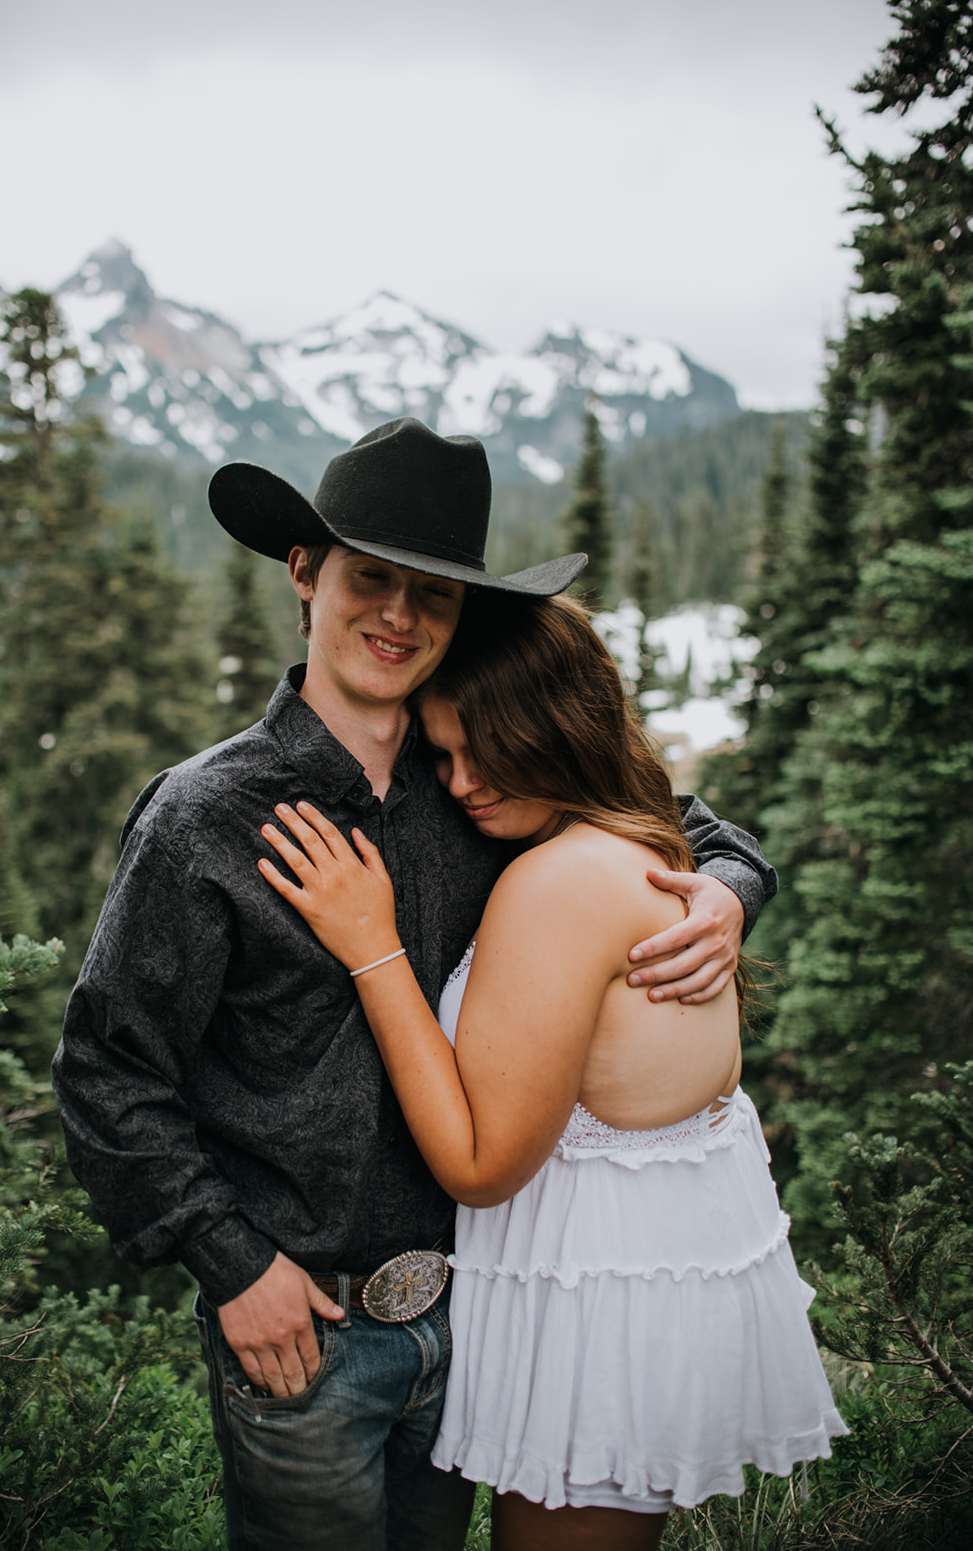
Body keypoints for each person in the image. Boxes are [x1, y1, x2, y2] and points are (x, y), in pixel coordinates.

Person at [52, 417, 778, 1551]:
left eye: (430, 596)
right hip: (308, 1326)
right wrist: (232, 1264)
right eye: (370, 579)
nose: (397, 616)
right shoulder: (207, 817)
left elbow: (679, 824)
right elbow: (106, 1070)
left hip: (478, 1312)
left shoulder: (483, 777)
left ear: (458, 615)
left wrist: (729, 889)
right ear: (305, 571)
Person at [257, 590, 845, 1551]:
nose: (459, 783)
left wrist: (373, 948)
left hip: (596, 1322)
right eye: (441, 754)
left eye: (482, 748)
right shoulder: (640, 837)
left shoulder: (559, 884)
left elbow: (483, 1167)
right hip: (633, 1288)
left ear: (555, 727)